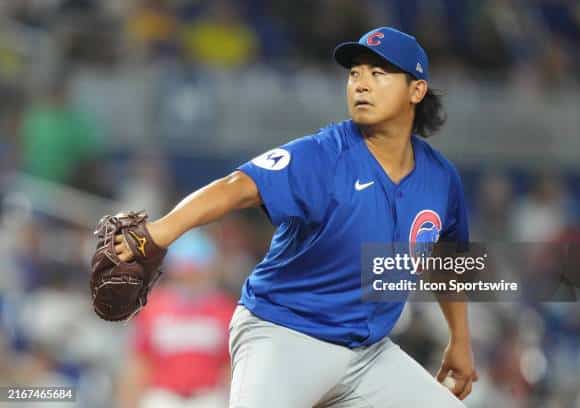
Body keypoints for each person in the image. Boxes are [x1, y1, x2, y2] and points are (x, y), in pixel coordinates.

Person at [114, 26, 477, 407]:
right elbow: (236, 187)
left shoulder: (440, 178)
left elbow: (449, 258)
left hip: (368, 354)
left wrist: (461, 341)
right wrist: (156, 233)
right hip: (284, 334)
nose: (362, 84)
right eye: (355, 73)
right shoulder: (323, 155)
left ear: (416, 91)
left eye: (379, 73)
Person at [118, 230, 234, 408]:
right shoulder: (152, 308)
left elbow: (231, 367)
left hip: (209, 397)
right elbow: (139, 363)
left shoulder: (225, 310)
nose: (189, 275)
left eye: (195, 269)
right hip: (163, 397)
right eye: (183, 269)